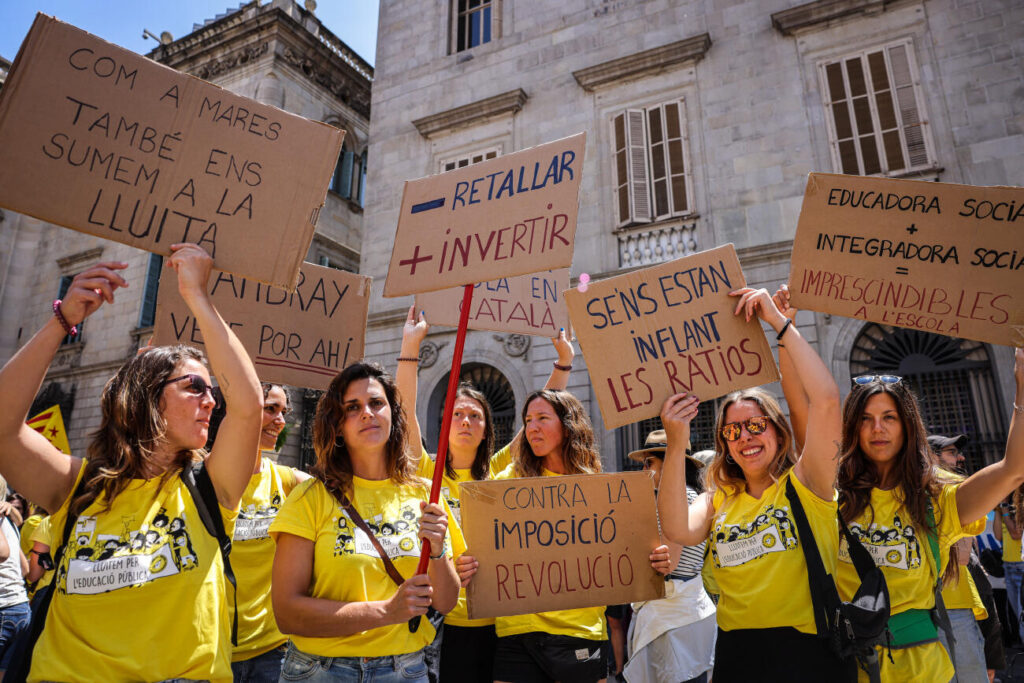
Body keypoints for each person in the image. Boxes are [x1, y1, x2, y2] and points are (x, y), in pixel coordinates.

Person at [0, 244, 265, 682]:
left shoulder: (209, 490)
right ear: (147, 396)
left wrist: (198, 296)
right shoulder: (77, 486)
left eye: (213, 390)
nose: (212, 400)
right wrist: (62, 321)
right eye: (195, 386)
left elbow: (248, 405)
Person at [658, 287, 855, 682]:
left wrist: (779, 324)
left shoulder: (807, 483)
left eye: (754, 426)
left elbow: (827, 401)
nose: (744, 437)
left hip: (807, 654)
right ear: (725, 446)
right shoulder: (720, 498)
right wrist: (676, 442)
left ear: (778, 434)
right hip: (736, 653)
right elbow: (679, 529)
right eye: (733, 431)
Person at [394, 306, 576, 683]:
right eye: (457, 414)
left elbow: (542, 415)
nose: (465, 421)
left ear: (486, 429)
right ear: (444, 425)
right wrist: (410, 346)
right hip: (450, 622)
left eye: (475, 416)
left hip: (505, 622)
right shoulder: (426, 473)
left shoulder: (500, 470)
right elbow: (405, 412)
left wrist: (564, 361)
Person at [835, 347, 1024, 682]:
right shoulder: (831, 498)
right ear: (853, 427)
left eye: (889, 417)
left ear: (907, 425)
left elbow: (1014, 469)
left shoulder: (936, 498)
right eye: (865, 418)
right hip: (849, 665)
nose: (877, 428)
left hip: (924, 667)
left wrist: (1021, 387)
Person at [460, 389, 672, 683]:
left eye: (542, 418)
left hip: (580, 635)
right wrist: (466, 563)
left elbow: (631, 552)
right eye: (528, 419)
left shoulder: (597, 487)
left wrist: (655, 559)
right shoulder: (505, 484)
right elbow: (479, 543)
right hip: (518, 634)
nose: (532, 427)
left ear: (568, 424)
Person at [270, 362, 462, 682]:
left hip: (405, 669)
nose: (368, 413)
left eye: (376, 403)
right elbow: (287, 613)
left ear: (393, 414)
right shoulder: (309, 498)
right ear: (338, 426)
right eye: (352, 407)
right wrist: (387, 612)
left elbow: (446, 601)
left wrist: (439, 550)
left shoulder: (426, 495)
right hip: (321, 670)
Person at [227, 382, 310, 682]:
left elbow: (339, 495)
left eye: (284, 411)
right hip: (212, 650)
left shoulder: (287, 481)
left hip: (274, 651)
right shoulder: (203, 476)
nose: (281, 420)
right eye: (270, 409)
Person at [622, 430, 716, 683]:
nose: (643, 469)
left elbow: (667, 563)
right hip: (674, 617)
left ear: (672, 460)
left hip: (674, 620)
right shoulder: (678, 497)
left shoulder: (683, 496)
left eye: (649, 463)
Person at [0, 476, 29, 675]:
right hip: (20, 607)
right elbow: (24, 569)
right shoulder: (10, 522)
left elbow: (3, 553)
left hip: (3, 609)